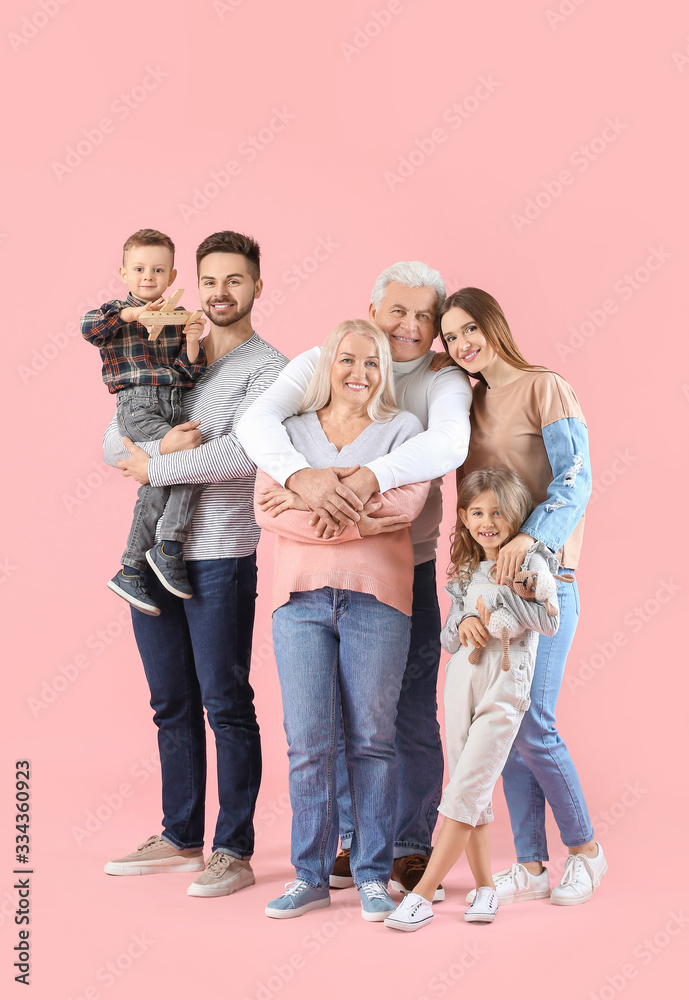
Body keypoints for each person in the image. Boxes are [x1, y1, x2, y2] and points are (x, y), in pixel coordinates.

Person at [236, 262, 472, 896]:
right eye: (399, 311)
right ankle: (341, 848)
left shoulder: (439, 385)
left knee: (405, 719)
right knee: (319, 728)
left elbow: (439, 460)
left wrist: (351, 487)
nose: (411, 326)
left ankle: (406, 847)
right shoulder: (324, 362)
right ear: (372, 310)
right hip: (311, 585)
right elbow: (257, 443)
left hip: (404, 573)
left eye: (425, 316)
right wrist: (306, 479)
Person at [100, 231, 287, 897]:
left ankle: (231, 849)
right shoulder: (176, 346)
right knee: (168, 702)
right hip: (153, 556)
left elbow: (241, 453)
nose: (220, 293)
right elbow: (115, 426)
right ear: (195, 284)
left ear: (257, 286)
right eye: (211, 281)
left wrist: (153, 463)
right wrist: (135, 450)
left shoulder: (272, 369)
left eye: (235, 280)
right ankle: (181, 837)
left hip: (217, 557)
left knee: (225, 702)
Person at [254, 319, 429, 921]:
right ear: (327, 364)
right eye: (348, 360)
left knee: (373, 742)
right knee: (308, 743)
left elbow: (404, 505)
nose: (359, 373)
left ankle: (373, 875)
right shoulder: (290, 431)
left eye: (373, 363)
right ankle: (309, 875)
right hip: (298, 602)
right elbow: (265, 508)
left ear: (385, 373)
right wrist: (351, 515)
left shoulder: (404, 430)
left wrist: (308, 498)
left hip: (377, 601)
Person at [437, 287, 607, 906]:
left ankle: (586, 852)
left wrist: (532, 537)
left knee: (533, 722)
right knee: (500, 726)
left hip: (545, 580)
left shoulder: (545, 387)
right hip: (488, 588)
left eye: (469, 329)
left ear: (493, 323)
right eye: (450, 338)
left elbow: (577, 478)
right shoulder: (467, 403)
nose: (462, 344)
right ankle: (531, 865)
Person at [385, 468, 563, 931]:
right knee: (472, 787)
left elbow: (549, 621)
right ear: (463, 517)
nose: (488, 521)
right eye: (478, 512)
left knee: (466, 786)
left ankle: (422, 895)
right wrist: (463, 623)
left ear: (516, 517)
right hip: (461, 680)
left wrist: (510, 598)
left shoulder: (533, 564)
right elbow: (448, 638)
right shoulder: (465, 570)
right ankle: (485, 888)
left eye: (499, 512)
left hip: (504, 685)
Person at [81, 229, 208, 612]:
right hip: (137, 404)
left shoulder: (177, 316)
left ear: (172, 276)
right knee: (185, 465)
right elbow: (90, 328)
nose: (148, 276)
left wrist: (191, 341)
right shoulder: (116, 315)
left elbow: (189, 374)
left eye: (157, 269)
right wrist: (132, 314)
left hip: (172, 404)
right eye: (138, 268)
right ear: (124, 273)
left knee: (164, 473)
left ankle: (134, 568)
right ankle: (165, 547)